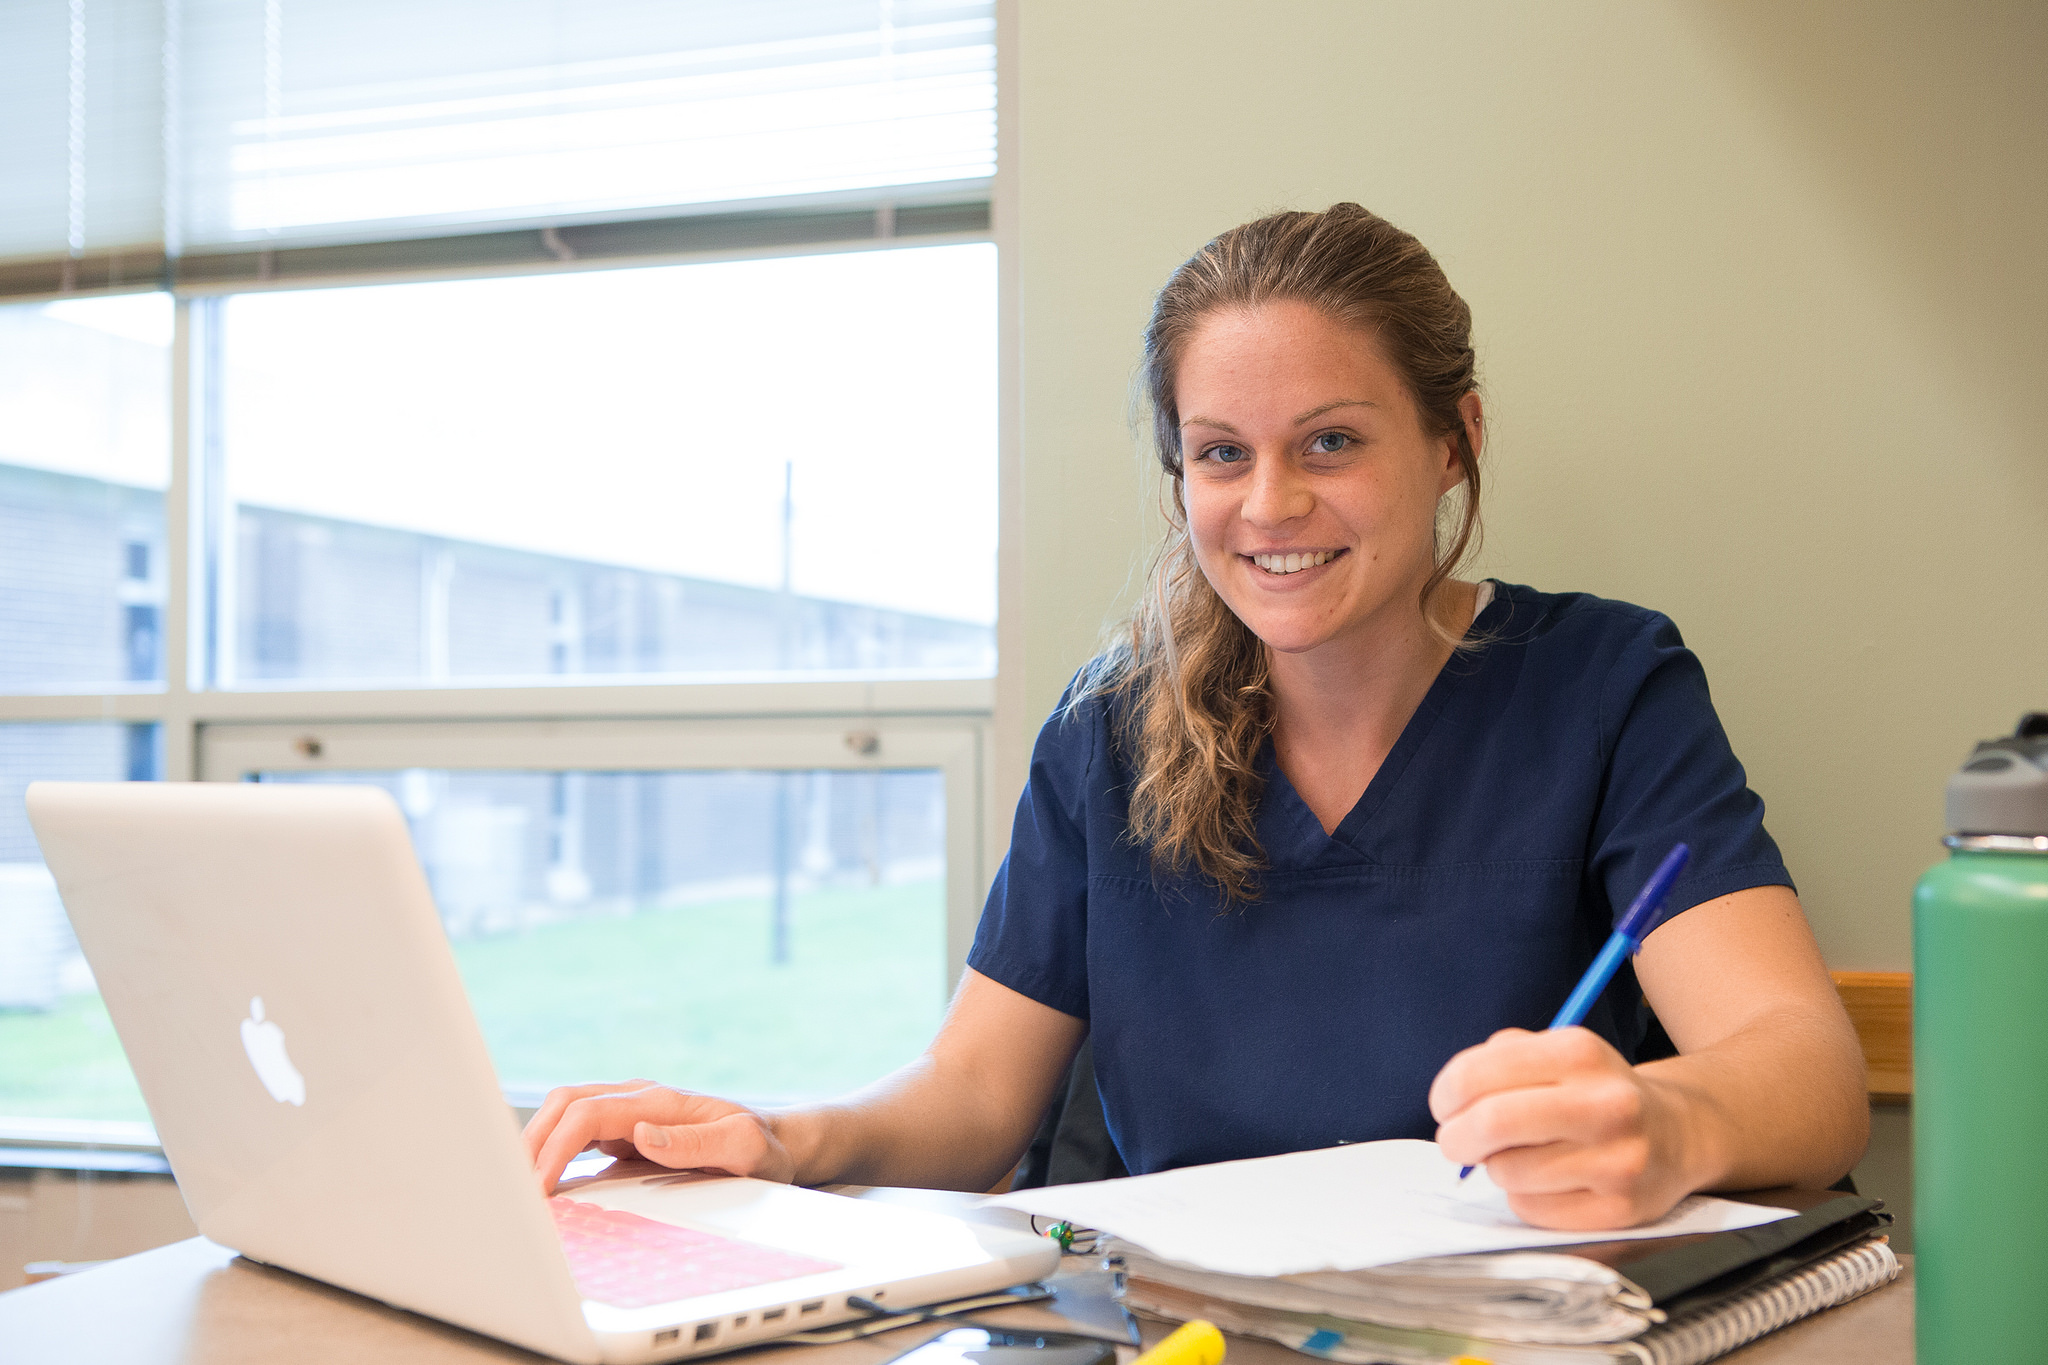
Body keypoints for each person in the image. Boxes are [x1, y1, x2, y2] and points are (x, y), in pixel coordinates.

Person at [524, 204, 1868, 1230]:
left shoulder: (1603, 683)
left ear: (1452, 440)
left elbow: (1806, 1074)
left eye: (1330, 441)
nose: (1268, 504)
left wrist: (1669, 1120)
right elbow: (978, 1098)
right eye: (1221, 451)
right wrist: (777, 1137)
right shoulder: (1105, 733)